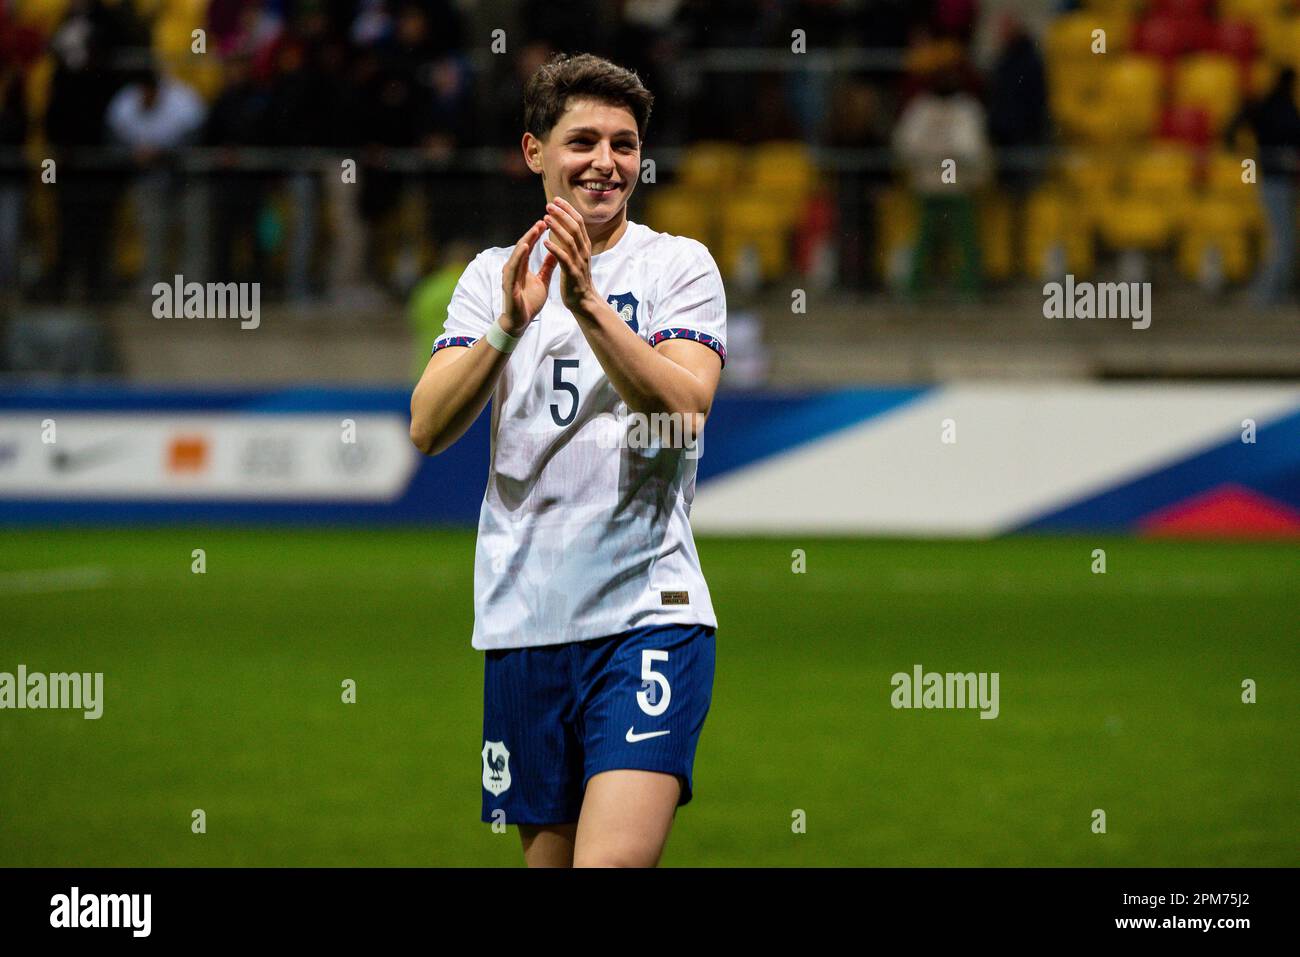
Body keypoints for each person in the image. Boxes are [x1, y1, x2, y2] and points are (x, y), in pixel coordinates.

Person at [409, 53, 725, 868]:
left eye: (624, 144)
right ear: (534, 152)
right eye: (582, 141)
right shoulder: (490, 277)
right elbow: (427, 425)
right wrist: (508, 327)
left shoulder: (677, 266)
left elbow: (685, 410)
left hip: (650, 614)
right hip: (525, 619)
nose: (605, 162)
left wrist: (587, 306)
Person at [1225, 67, 1300, 305]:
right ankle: (1265, 295)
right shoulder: (1275, 107)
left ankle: (1272, 293)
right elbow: (1234, 127)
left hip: (1282, 180)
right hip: (1275, 181)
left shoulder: (1276, 105)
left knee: (1285, 241)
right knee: (1283, 242)